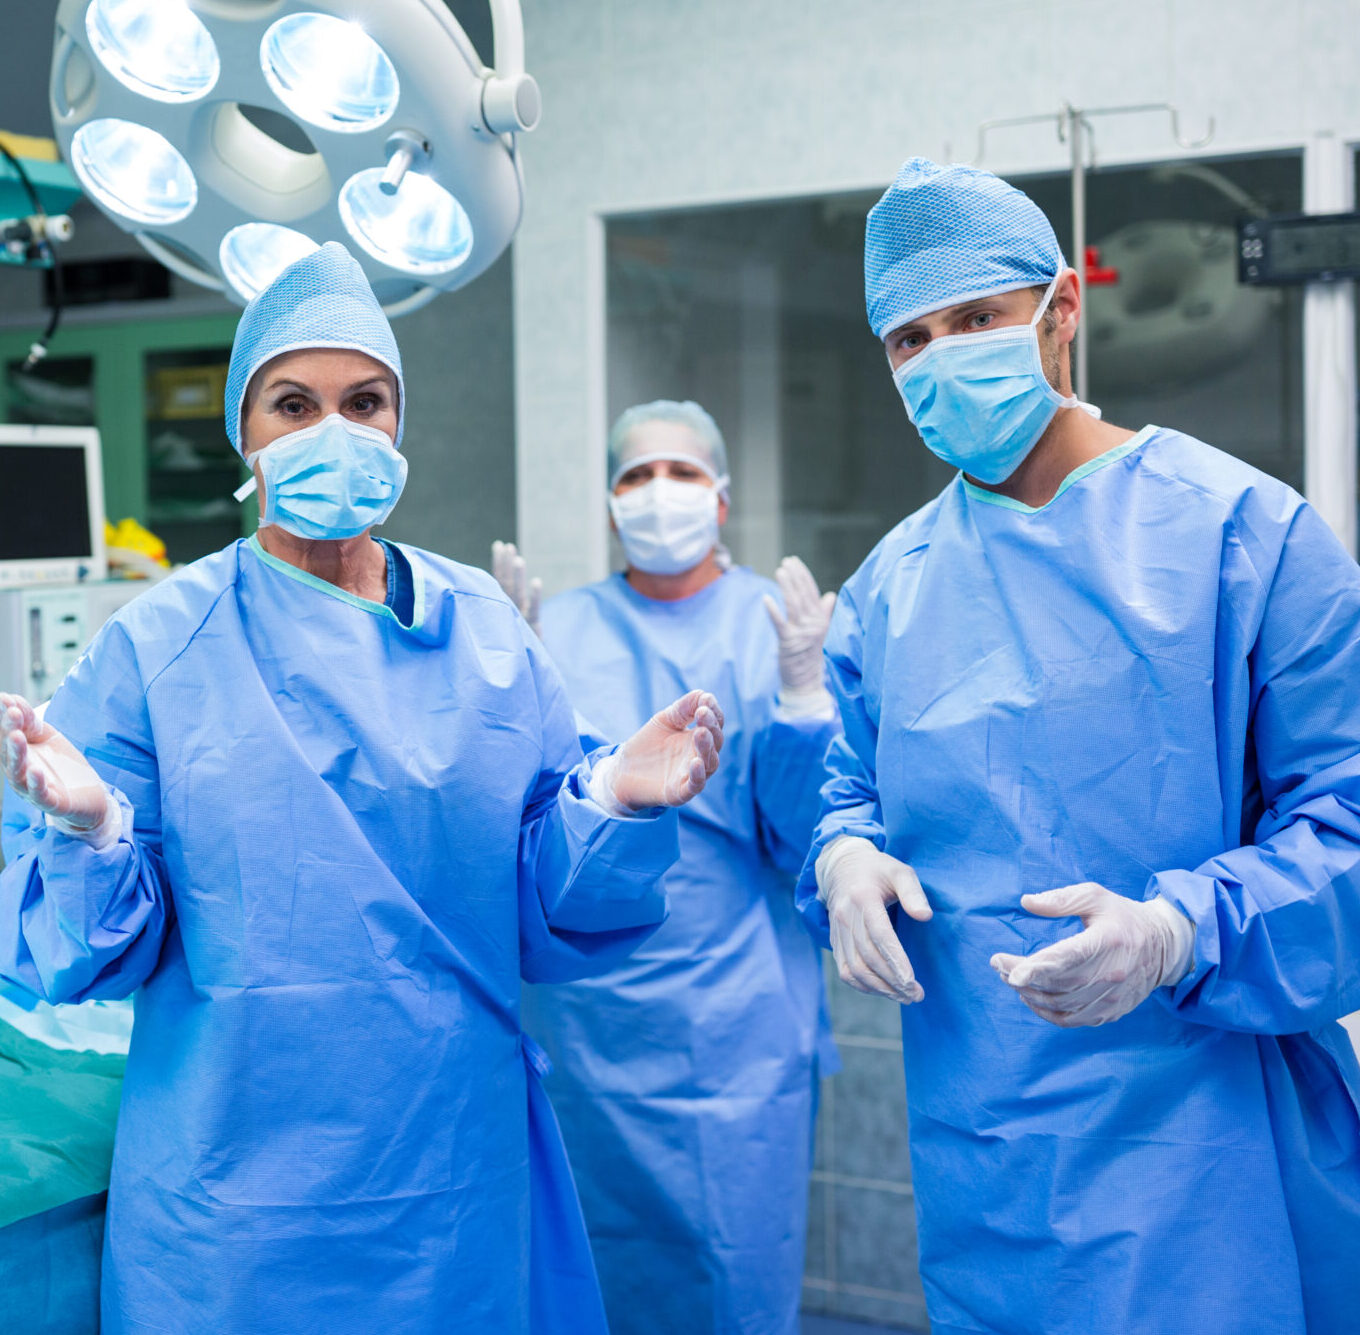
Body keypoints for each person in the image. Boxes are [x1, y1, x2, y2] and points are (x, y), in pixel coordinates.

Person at [0, 243, 727, 1335]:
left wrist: (612, 802)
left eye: (364, 401)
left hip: (450, 1178)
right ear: (244, 433)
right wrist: (96, 833)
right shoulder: (160, 641)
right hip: (236, 1197)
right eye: (293, 404)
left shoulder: (483, 630)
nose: (331, 431)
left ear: (400, 425)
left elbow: (544, 906)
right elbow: (80, 950)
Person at [799, 158, 1360, 1335]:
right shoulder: (888, 591)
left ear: (1060, 310)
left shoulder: (1242, 535)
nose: (940, 357)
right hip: (985, 1151)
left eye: (973, 320)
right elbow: (851, 788)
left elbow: (1347, 830)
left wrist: (1176, 932)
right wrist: (843, 859)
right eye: (908, 339)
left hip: (1208, 1149)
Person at [495, 400, 840, 1335]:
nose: (659, 493)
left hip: (737, 1012)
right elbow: (518, 826)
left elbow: (806, 842)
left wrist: (807, 702)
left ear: (721, 499)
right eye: (636, 476)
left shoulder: (775, 626)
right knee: (592, 1261)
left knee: (733, 1260)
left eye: (682, 473)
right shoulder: (557, 628)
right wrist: (497, 685)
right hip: (587, 1011)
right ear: (610, 507)